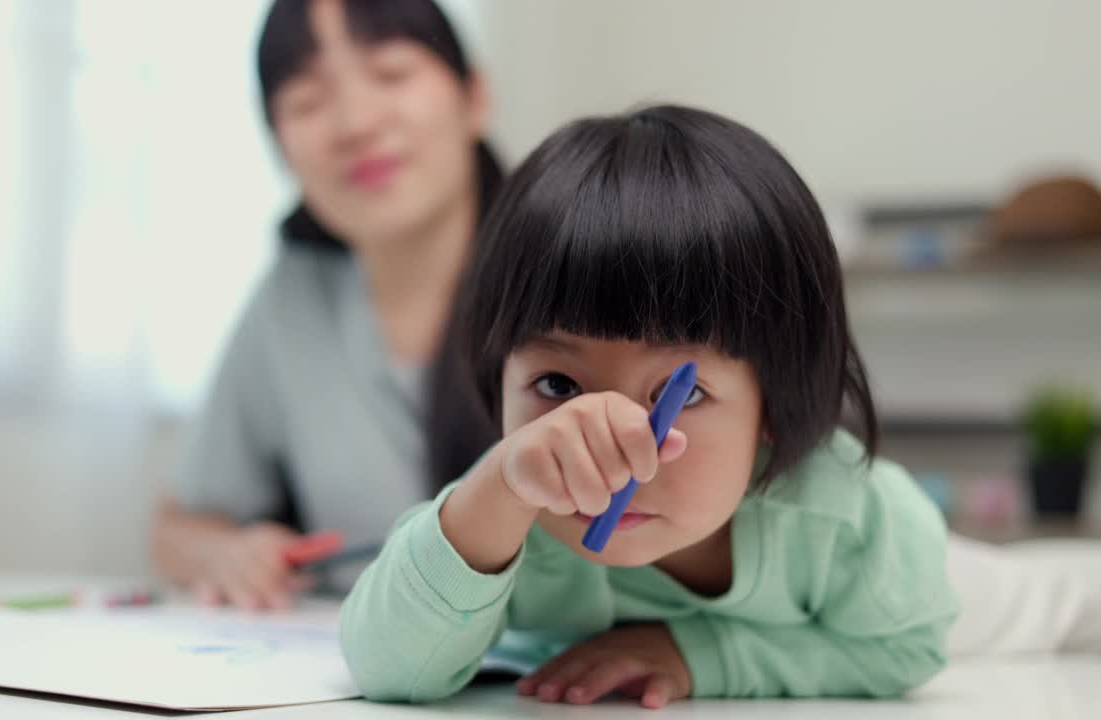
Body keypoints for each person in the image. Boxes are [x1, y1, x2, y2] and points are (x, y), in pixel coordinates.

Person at [339, 105, 959, 707]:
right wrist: (494, 493)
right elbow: (387, 668)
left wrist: (699, 655)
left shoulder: (852, 524)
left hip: (952, 581)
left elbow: (905, 648)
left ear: (775, 397)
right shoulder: (509, 517)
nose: (604, 444)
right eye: (557, 385)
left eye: (682, 394)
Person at [153, 0, 499, 611]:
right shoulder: (292, 294)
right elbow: (177, 526)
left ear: (474, 96)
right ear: (280, 149)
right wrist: (229, 554)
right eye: (307, 103)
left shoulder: (578, 264)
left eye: (391, 73)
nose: (355, 124)